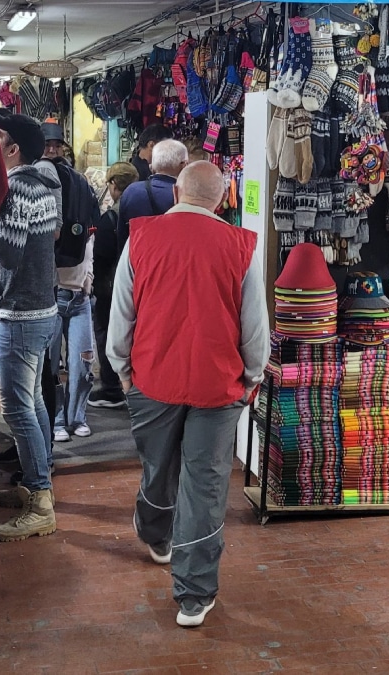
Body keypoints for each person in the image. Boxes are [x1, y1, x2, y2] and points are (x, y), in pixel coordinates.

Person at [107, 161, 270, 628]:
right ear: (222, 199)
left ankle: (156, 533)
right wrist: (252, 377)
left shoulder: (141, 238)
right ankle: (194, 595)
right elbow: (255, 326)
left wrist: (121, 370)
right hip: (218, 386)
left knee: (159, 466)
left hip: (152, 379)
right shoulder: (241, 247)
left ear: (176, 190)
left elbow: (122, 311)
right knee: (206, 483)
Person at [0, 111, 60, 542]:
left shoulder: (20, 185)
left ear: (13, 148)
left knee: (19, 408)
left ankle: (40, 499)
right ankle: (36, 482)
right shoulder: (43, 183)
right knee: (33, 401)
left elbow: (8, 252)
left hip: (20, 313)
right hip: (38, 308)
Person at [88, 162, 140, 410]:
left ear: (114, 186)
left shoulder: (110, 219)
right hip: (138, 287)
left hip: (109, 288)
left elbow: (101, 256)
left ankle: (111, 388)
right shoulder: (142, 213)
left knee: (108, 334)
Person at [116, 139, 188, 253]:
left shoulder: (131, 192)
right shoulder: (187, 196)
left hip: (136, 262)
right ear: (184, 165)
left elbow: (122, 237)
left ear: (152, 166)